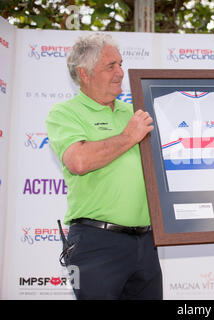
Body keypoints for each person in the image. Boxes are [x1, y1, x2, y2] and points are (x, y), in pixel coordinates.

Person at [46, 33, 162, 300]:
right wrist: (127, 137)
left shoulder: (135, 112)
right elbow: (79, 160)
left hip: (146, 243)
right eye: (111, 66)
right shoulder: (65, 113)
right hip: (97, 243)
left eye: (120, 64)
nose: (120, 72)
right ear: (84, 73)